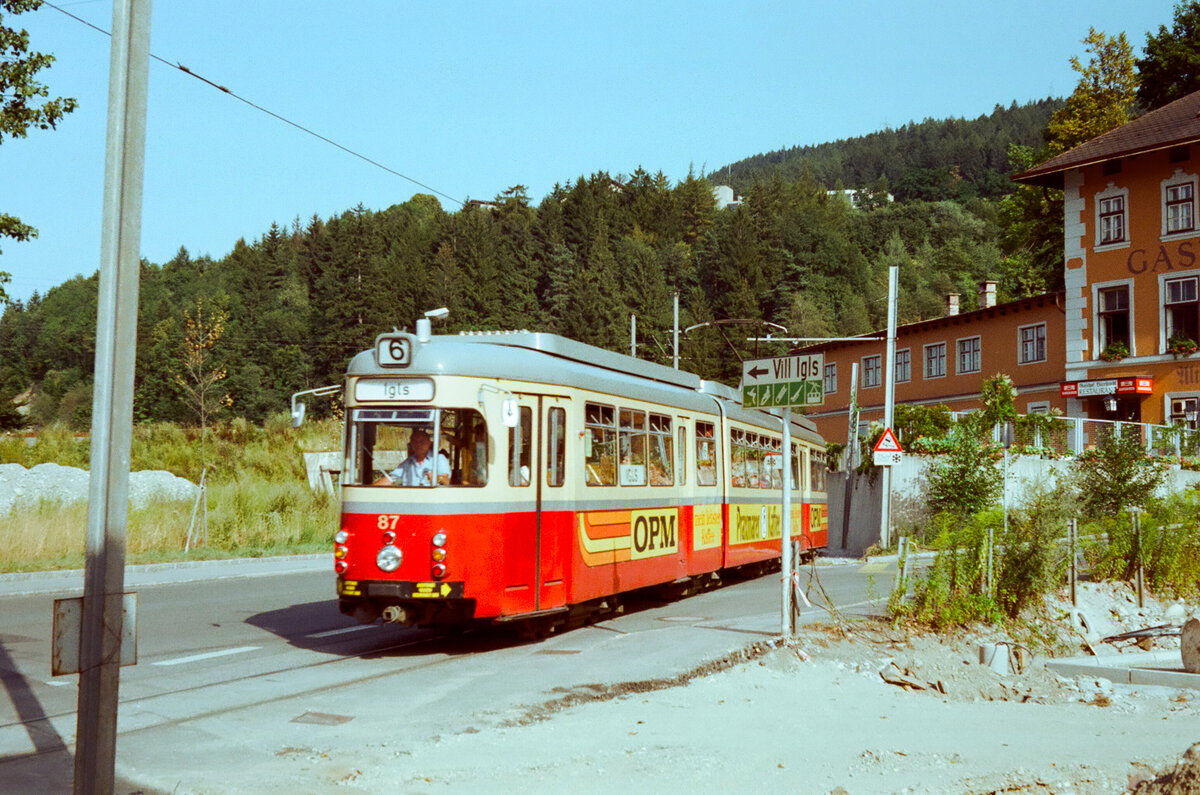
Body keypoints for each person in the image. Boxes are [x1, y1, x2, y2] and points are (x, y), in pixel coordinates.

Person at [384, 429, 450, 486]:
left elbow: (447, 481)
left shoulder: (439, 459)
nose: (418, 444)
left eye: (422, 441)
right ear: (411, 444)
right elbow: (390, 479)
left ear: (429, 443)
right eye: (415, 441)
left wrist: (438, 478)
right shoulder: (407, 462)